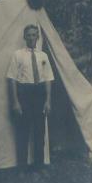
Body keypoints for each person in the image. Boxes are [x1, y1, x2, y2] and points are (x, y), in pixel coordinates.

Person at [6, 24, 54, 171]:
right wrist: (15, 102)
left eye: (34, 35)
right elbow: (12, 79)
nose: (31, 38)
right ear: (24, 37)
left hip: (39, 94)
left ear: (37, 37)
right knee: (23, 132)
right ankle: (22, 168)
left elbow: (47, 79)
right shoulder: (18, 55)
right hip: (24, 94)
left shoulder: (43, 56)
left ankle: (39, 166)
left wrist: (47, 101)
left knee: (39, 132)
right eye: (29, 35)